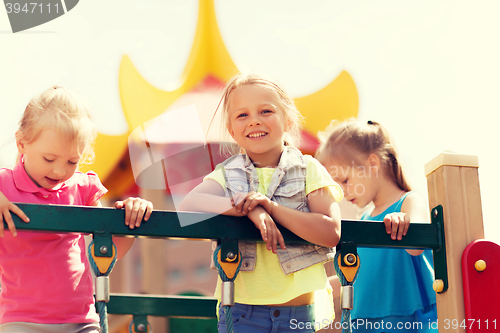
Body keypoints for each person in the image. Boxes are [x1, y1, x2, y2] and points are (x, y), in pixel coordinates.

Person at [180, 74, 344, 332]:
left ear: (288, 120)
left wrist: (272, 208)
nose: (254, 120)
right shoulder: (226, 173)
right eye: (242, 115)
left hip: (298, 312)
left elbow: (330, 232)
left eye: (266, 111)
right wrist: (249, 210)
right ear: (232, 131)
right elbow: (189, 206)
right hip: (242, 311)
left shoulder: (308, 168)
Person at [0, 85, 154, 333]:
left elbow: (111, 250)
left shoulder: (82, 187)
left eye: (72, 161)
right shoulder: (4, 184)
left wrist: (131, 215)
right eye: (49, 159)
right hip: (22, 320)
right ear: (21, 144)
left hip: (81, 319)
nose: (60, 171)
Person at [315, 119, 437, 333]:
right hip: (363, 320)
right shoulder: (363, 221)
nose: (342, 193)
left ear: (372, 164)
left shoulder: (408, 201)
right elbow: (354, 274)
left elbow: (416, 246)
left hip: (403, 317)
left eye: (344, 181)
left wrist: (404, 221)